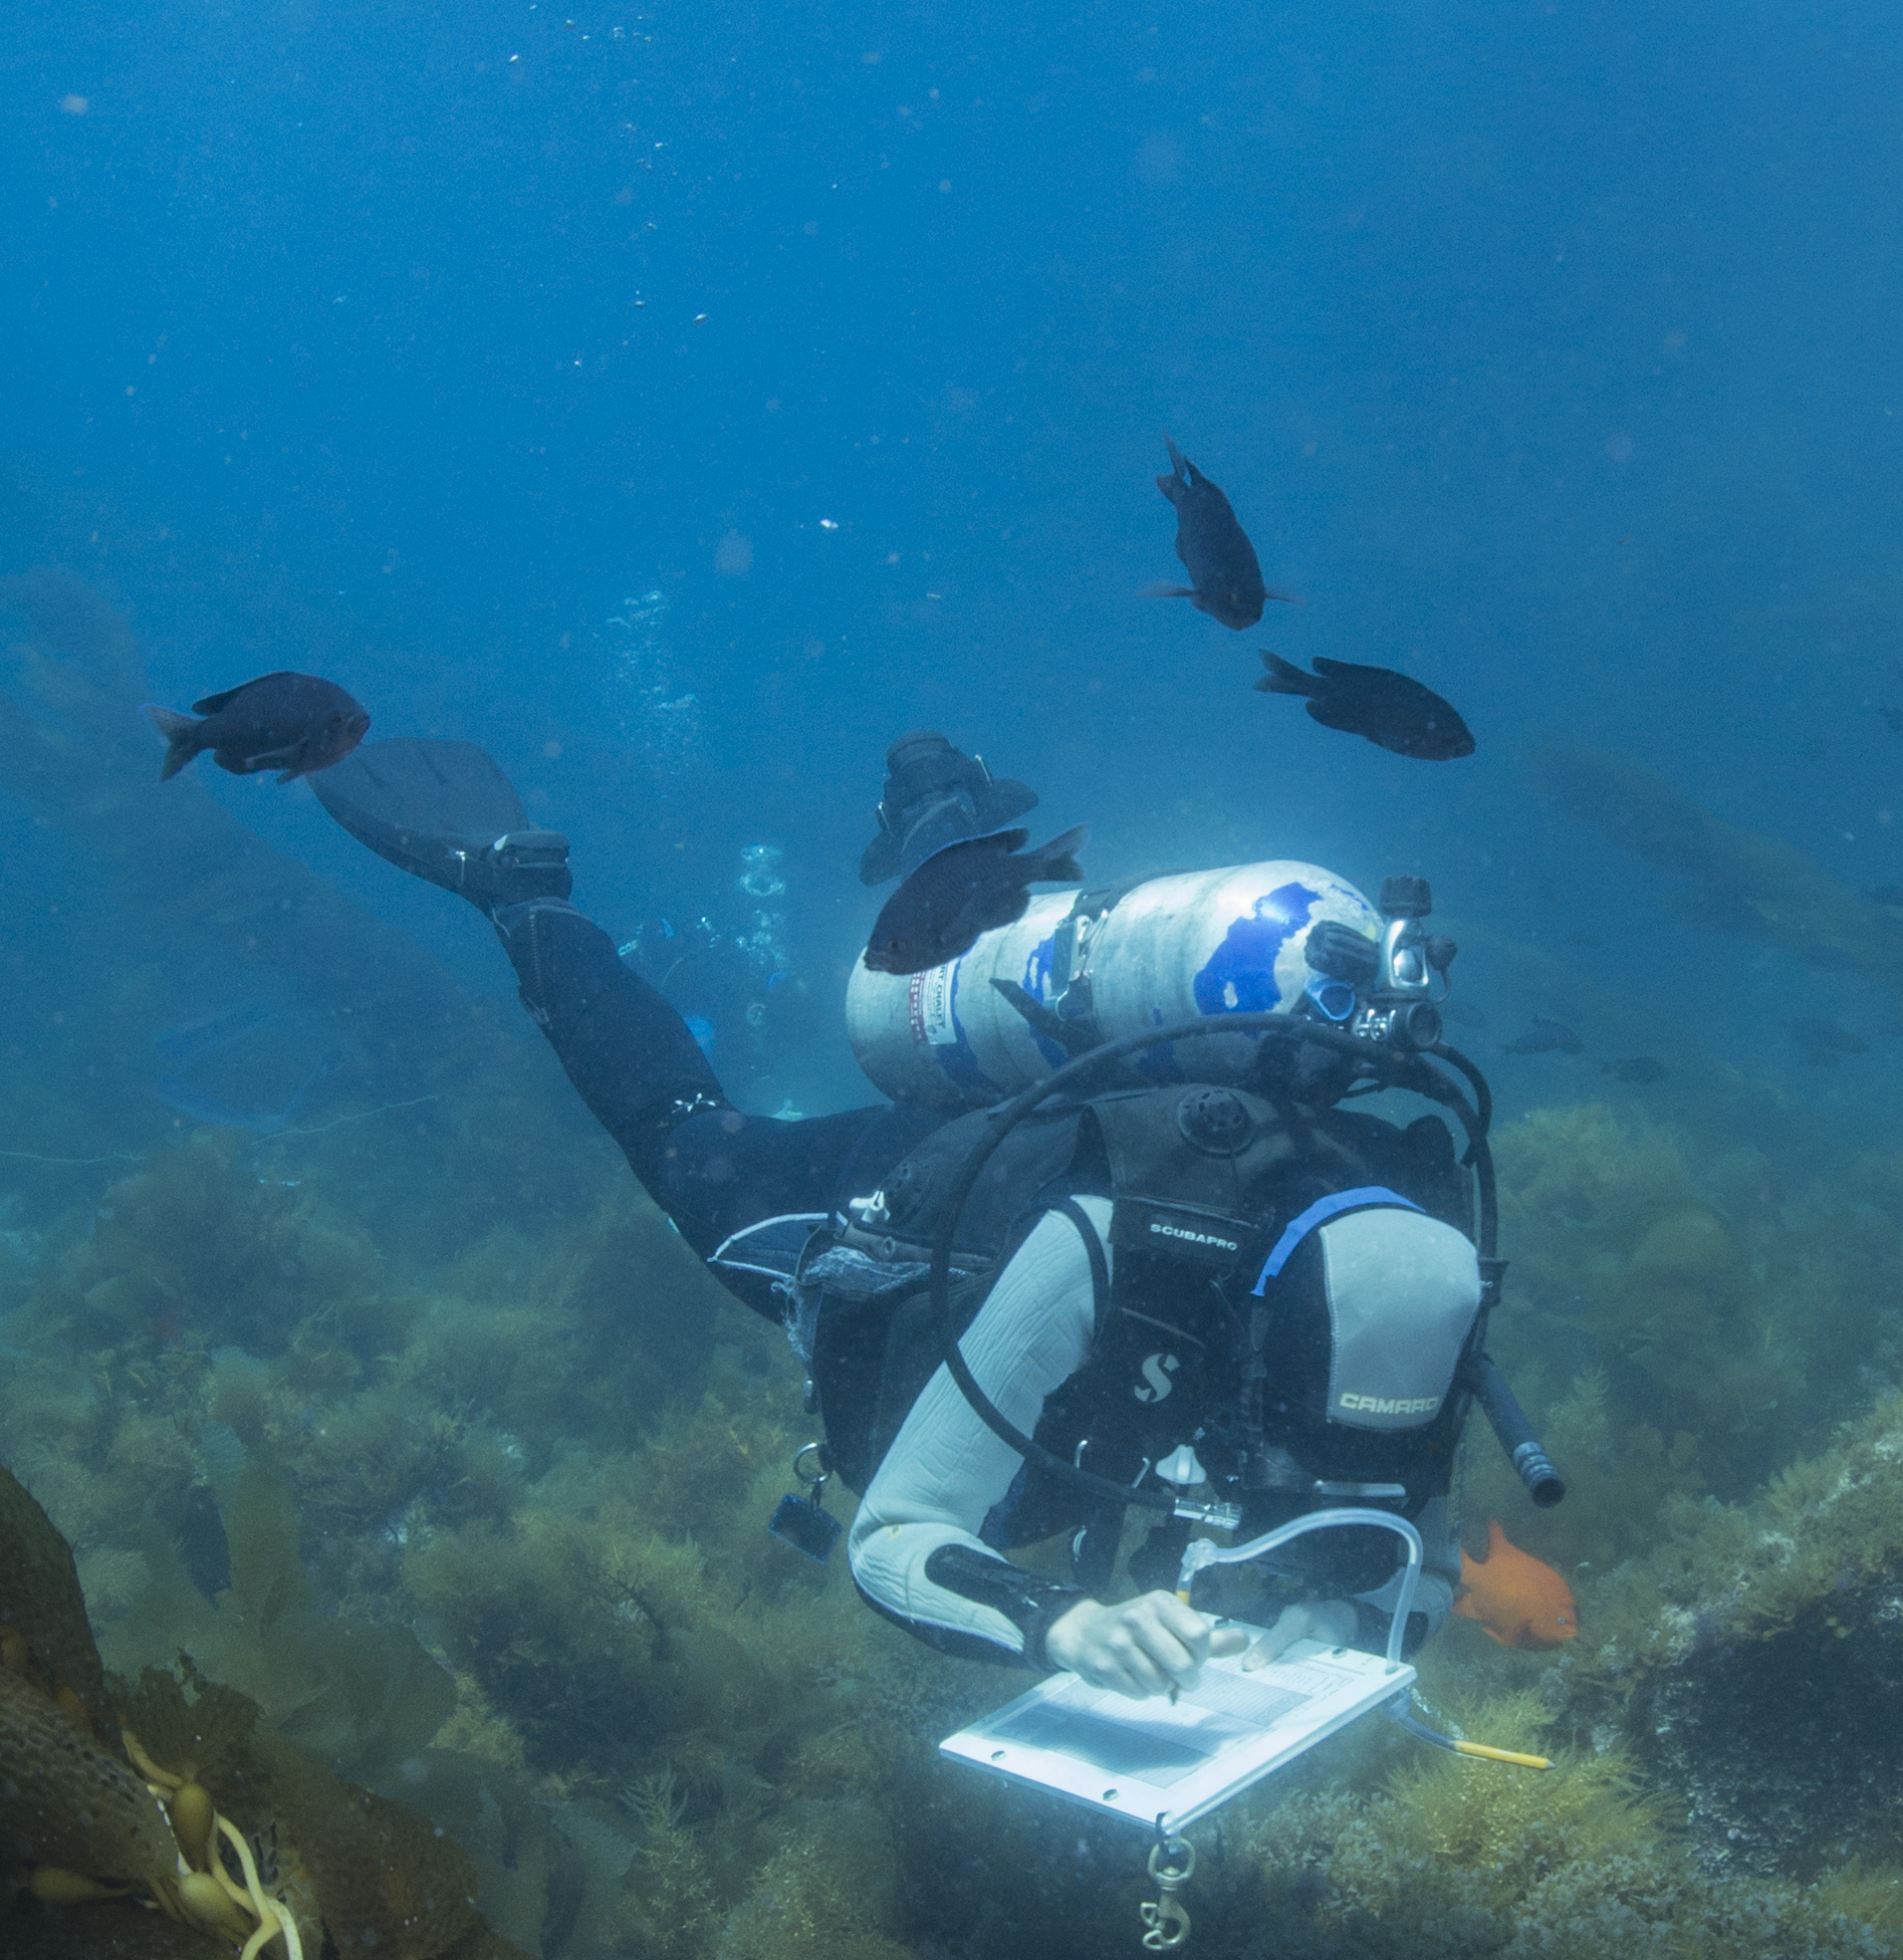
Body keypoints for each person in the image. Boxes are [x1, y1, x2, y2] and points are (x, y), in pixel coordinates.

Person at [312, 720, 1515, 1689]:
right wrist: (1055, 1625)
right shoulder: (1108, 1235)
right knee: (690, 1146)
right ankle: (522, 893)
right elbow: (895, 1540)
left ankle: (954, 832)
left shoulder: (1419, 1249)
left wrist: (1328, 1614)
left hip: (1085, 1147)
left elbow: (1408, 1541)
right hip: (927, 1195)